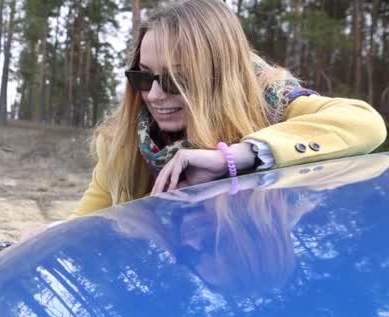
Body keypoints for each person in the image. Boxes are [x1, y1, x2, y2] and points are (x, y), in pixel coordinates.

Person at [69, 0, 387, 218]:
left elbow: (366, 123)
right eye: (143, 76)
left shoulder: (270, 106)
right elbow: (83, 224)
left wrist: (234, 157)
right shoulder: (122, 143)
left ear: (220, 78)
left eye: (176, 79)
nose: (152, 95)